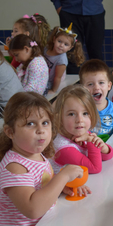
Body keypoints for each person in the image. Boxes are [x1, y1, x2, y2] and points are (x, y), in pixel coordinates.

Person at [0, 92, 87, 225]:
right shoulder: (14, 166)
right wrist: (63, 177)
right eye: (30, 124)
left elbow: (40, 186)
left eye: (45, 122)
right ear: (10, 132)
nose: (41, 130)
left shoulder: (35, 154)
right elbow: (33, 209)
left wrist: (61, 187)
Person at [50, 84, 113, 174]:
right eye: (71, 114)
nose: (80, 120)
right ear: (60, 117)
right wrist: (92, 142)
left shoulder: (81, 133)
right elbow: (95, 168)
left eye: (85, 113)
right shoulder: (63, 149)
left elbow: (107, 156)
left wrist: (103, 147)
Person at [48, 0, 105, 74]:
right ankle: (73, 86)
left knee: (96, 52)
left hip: (95, 12)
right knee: (72, 54)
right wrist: (58, 6)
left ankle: (99, 84)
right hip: (69, 13)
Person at [79, 59, 113, 135]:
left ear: (109, 86)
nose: (96, 87)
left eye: (101, 83)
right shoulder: (80, 110)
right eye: (90, 84)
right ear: (83, 88)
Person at [44, 23, 85, 94]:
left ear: (70, 48)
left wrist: (53, 90)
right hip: (45, 77)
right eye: (59, 41)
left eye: (66, 44)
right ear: (54, 39)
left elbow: (57, 77)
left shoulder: (62, 60)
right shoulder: (46, 49)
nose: (61, 45)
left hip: (52, 81)